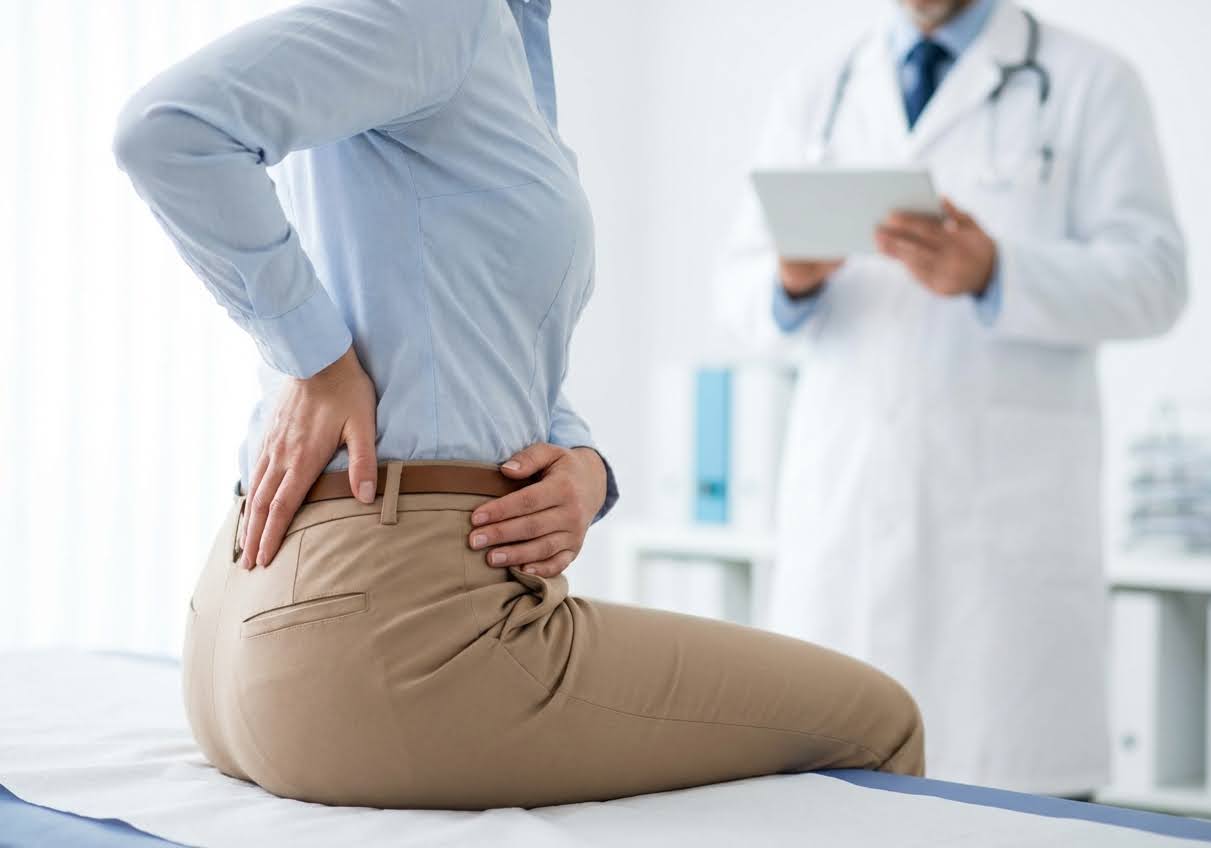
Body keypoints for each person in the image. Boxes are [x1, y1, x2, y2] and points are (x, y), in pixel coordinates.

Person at [113, 0, 923, 810]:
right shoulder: (442, 16)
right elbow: (166, 131)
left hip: (247, 620)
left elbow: (481, 330)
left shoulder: (492, 34)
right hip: (380, 630)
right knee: (879, 721)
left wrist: (585, 467)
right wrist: (316, 360)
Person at [715, 0, 1186, 796]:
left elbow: (1156, 280)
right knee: (832, 805)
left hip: (1001, 566)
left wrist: (997, 271)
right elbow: (735, 291)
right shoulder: (818, 90)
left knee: (1012, 809)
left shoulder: (1090, 82)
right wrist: (788, 282)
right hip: (847, 531)